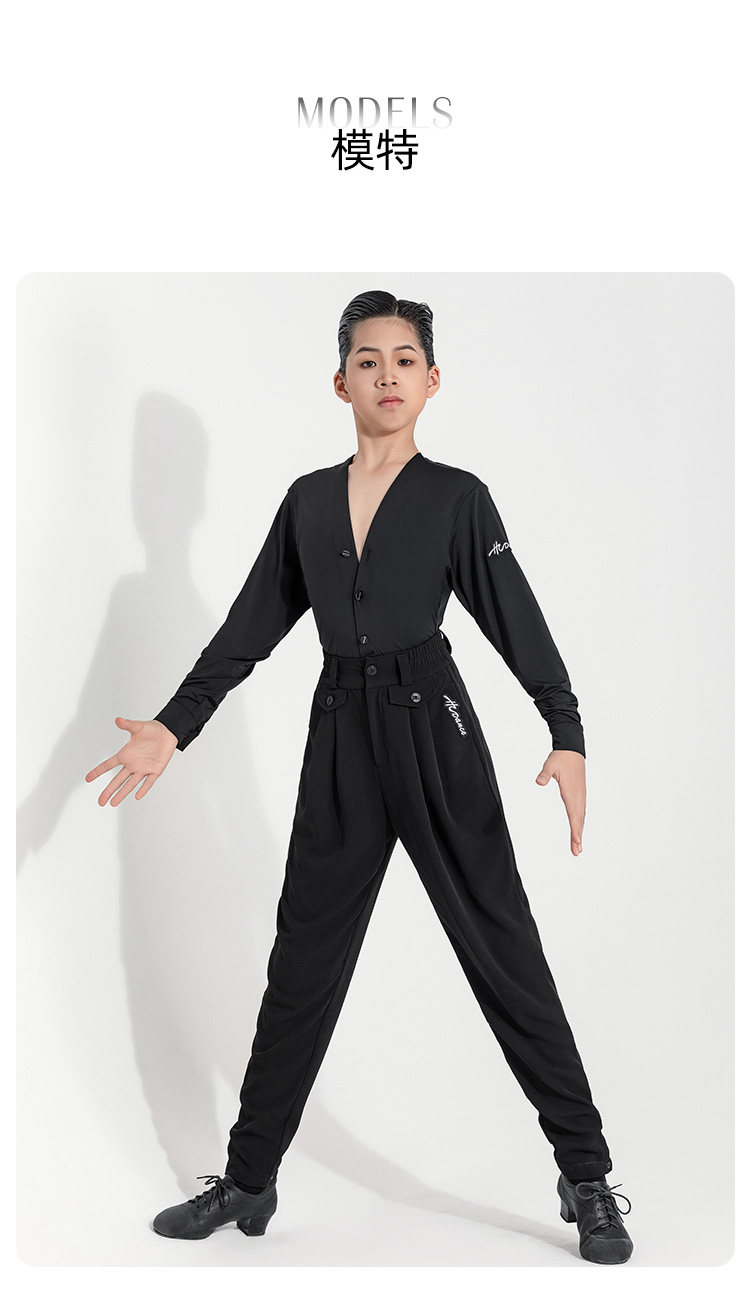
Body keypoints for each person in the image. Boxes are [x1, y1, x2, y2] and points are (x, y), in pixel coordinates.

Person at [85, 290, 634, 1264]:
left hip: (435, 733)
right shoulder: (306, 503)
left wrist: (567, 729)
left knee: (506, 953)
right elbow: (248, 629)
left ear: (432, 380)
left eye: (404, 359)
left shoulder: (457, 498)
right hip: (340, 736)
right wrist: (174, 726)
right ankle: (249, 1181)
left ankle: (586, 1175)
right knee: (301, 967)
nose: (387, 375)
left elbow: (516, 615)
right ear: (340, 382)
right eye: (368, 361)